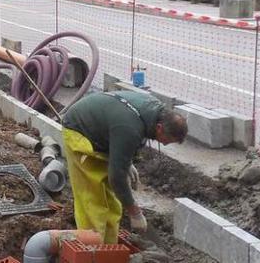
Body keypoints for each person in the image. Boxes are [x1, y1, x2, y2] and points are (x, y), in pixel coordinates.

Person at [61, 90, 188, 243]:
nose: (165, 143)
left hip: (104, 133)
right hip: (80, 131)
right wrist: (134, 212)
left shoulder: (154, 113)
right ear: (160, 128)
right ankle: (91, 248)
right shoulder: (130, 127)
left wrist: (127, 162)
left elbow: (125, 137)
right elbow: (117, 178)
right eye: (166, 139)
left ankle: (109, 247)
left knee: (113, 201)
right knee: (93, 199)